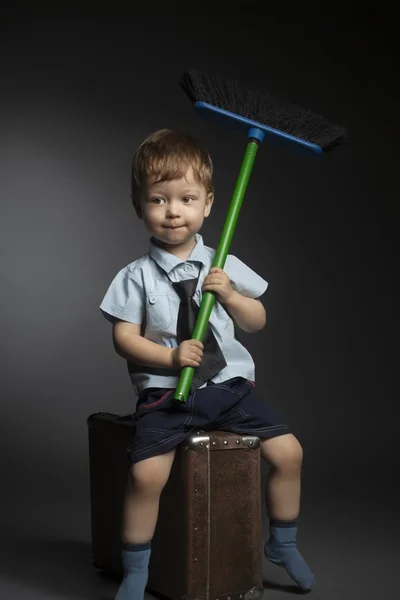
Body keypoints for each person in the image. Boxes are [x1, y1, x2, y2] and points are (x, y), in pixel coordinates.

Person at [99, 129, 314, 599]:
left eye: (186, 198)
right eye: (158, 199)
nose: (173, 211)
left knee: (289, 453)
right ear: (139, 206)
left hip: (228, 388)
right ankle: (137, 568)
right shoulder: (134, 276)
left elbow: (257, 321)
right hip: (166, 395)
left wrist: (232, 295)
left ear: (209, 205)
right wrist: (171, 357)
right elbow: (123, 340)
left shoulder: (223, 262)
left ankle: (282, 542)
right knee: (145, 474)